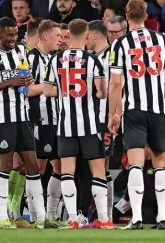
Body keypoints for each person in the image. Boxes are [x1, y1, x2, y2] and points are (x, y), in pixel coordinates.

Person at [108, 0, 165, 230]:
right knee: (161, 163)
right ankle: (161, 217)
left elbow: (115, 84)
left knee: (136, 164)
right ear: (147, 15)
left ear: (127, 16)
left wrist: (113, 114)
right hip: (159, 109)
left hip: (133, 110)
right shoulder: (163, 40)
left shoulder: (120, 44)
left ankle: (137, 218)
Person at [42, 19, 114, 229]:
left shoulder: (55, 60)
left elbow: (47, 91)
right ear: (86, 34)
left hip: (65, 124)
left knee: (67, 171)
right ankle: (103, 218)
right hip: (89, 124)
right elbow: (102, 92)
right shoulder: (93, 61)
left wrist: (65, 94)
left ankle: (72, 218)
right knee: (98, 169)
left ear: (68, 35)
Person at [0, 17, 45, 228]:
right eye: (9, 35)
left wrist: (27, 82)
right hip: (2, 118)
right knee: (5, 166)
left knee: (32, 165)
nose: (13, 38)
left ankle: (40, 218)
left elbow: (25, 79)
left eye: (15, 34)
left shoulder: (21, 51)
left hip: (23, 117)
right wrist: (7, 83)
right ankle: (2, 217)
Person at [25, 20, 64, 227]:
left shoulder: (54, 59)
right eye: (57, 36)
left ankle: (50, 215)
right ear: (46, 36)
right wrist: (52, 88)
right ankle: (34, 215)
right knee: (37, 167)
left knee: (58, 165)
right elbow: (26, 90)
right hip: (38, 119)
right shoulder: (30, 58)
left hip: (55, 118)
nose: (60, 39)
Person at [86, 20, 124, 223]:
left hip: (104, 119)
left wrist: (115, 115)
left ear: (94, 35)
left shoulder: (112, 57)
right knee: (100, 167)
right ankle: (104, 216)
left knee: (101, 166)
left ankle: (105, 217)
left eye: (86, 35)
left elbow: (118, 88)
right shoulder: (92, 57)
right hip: (92, 119)